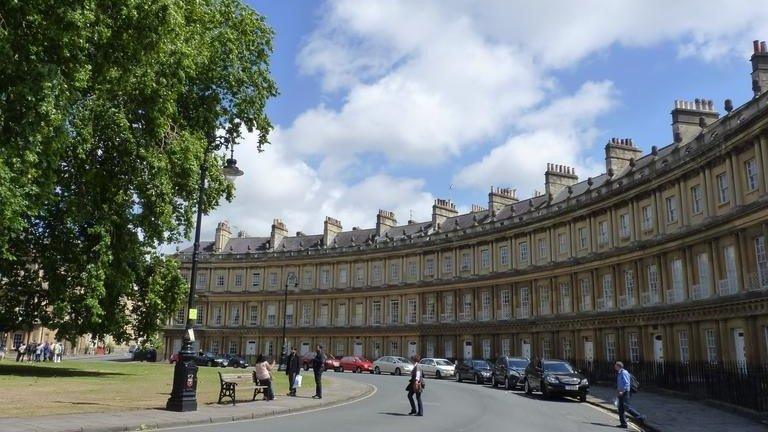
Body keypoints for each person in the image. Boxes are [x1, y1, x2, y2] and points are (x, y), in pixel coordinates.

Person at [615, 361, 645, 428]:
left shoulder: (624, 372)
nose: (615, 367)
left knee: (626, 407)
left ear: (619, 366)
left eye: (616, 366)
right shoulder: (619, 373)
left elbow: (627, 383)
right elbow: (620, 383)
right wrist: (618, 391)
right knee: (620, 409)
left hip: (625, 392)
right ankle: (623, 424)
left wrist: (623, 392)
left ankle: (640, 417)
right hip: (621, 392)